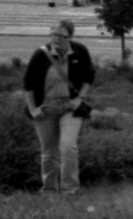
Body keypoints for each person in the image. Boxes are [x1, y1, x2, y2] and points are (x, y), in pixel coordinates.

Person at [22, 18, 95, 193]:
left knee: (68, 147)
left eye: (62, 35)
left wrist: (80, 98)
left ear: (70, 36)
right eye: (54, 34)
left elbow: (89, 76)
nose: (57, 39)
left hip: (69, 108)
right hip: (46, 108)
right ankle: (49, 189)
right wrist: (33, 109)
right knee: (48, 152)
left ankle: (70, 189)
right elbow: (28, 84)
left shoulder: (79, 51)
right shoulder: (41, 55)